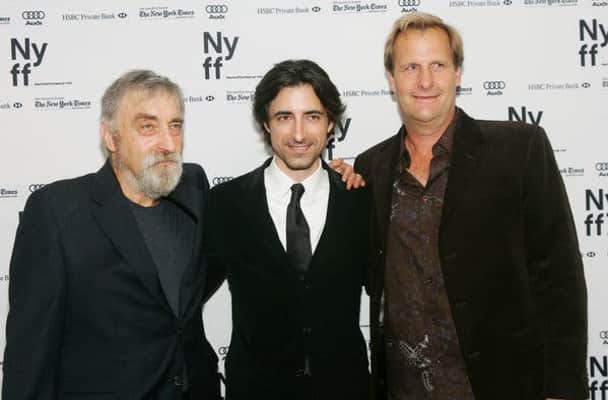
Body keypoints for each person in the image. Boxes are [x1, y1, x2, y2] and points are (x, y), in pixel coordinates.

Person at [354, 12, 588, 400]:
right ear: (391, 80)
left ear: (457, 73)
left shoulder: (519, 150)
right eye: (410, 67)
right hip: (406, 391)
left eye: (438, 65)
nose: (425, 81)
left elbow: (559, 278)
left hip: (504, 385)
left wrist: (562, 389)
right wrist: (328, 187)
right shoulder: (370, 168)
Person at [3, 70, 220, 399]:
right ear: (111, 138)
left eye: (175, 126)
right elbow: (30, 352)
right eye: (147, 127)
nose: (168, 144)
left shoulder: (193, 188)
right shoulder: (57, 212)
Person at [204, 59, 370, 400]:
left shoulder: (360, 200)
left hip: (345, 389)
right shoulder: (225, 203)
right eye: (284, 117)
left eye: (312, 116)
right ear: (265, 123)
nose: (298, 134)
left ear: (331, 123)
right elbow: (187, 298)